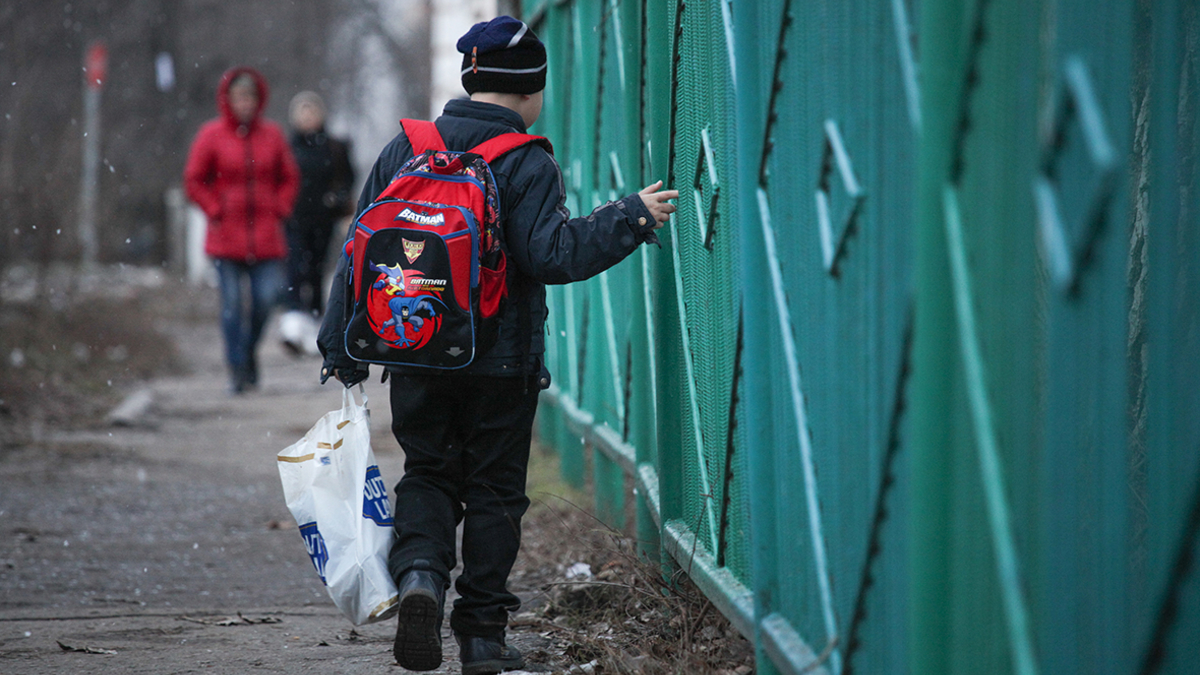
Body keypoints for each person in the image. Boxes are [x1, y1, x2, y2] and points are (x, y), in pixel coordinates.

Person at [317, 16, 677, 674]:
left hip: (415, 353)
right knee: (493, 493)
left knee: (427, 475)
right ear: (529, 92)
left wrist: (340, 346)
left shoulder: (408, 148)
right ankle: (482, 636)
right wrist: (630, 216)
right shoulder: (527, 160)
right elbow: (553, 254)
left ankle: (422, 575)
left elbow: (358, 253)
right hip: (499, 364)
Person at [184, 67, 300, 393]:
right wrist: (214, 209)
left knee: (266, 299)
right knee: (232, 304)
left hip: (265, 235)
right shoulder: (211, 135)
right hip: (225, 237)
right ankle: (236, 367)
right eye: (239, 97)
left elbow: (289, 177)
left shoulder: (272, 135)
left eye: (250, 97)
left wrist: (281, 207)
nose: (245, 103)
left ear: (258, 99)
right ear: (228, 99)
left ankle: (248, 351)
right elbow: (194, 180)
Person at [281, 91, 355, 337]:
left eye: (312, 111)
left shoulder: (334, 147)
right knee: (294, 267)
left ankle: (315, 316)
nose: (308, 117)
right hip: (293, 217)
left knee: (316, 268)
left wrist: (338, 198)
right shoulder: (287, 148)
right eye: (303, 112)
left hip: (324, 218)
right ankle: (293, 317)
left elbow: (348, 178)